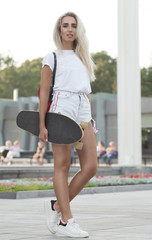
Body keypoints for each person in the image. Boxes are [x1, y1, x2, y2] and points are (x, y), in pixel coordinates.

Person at [39, 12, 97, 238]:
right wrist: (42, 124)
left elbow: (87, 91)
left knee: (91, 167)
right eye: (65, 26)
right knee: (62, 166)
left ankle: (56, 207)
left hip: (83, 108)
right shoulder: (51, 57)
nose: (70, 29)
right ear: (59, 29)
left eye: (73, 26)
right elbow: (44, 93)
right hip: (61, 107)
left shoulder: (84, 58)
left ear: (78, 30)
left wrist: (90, 117)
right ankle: (66, 220)